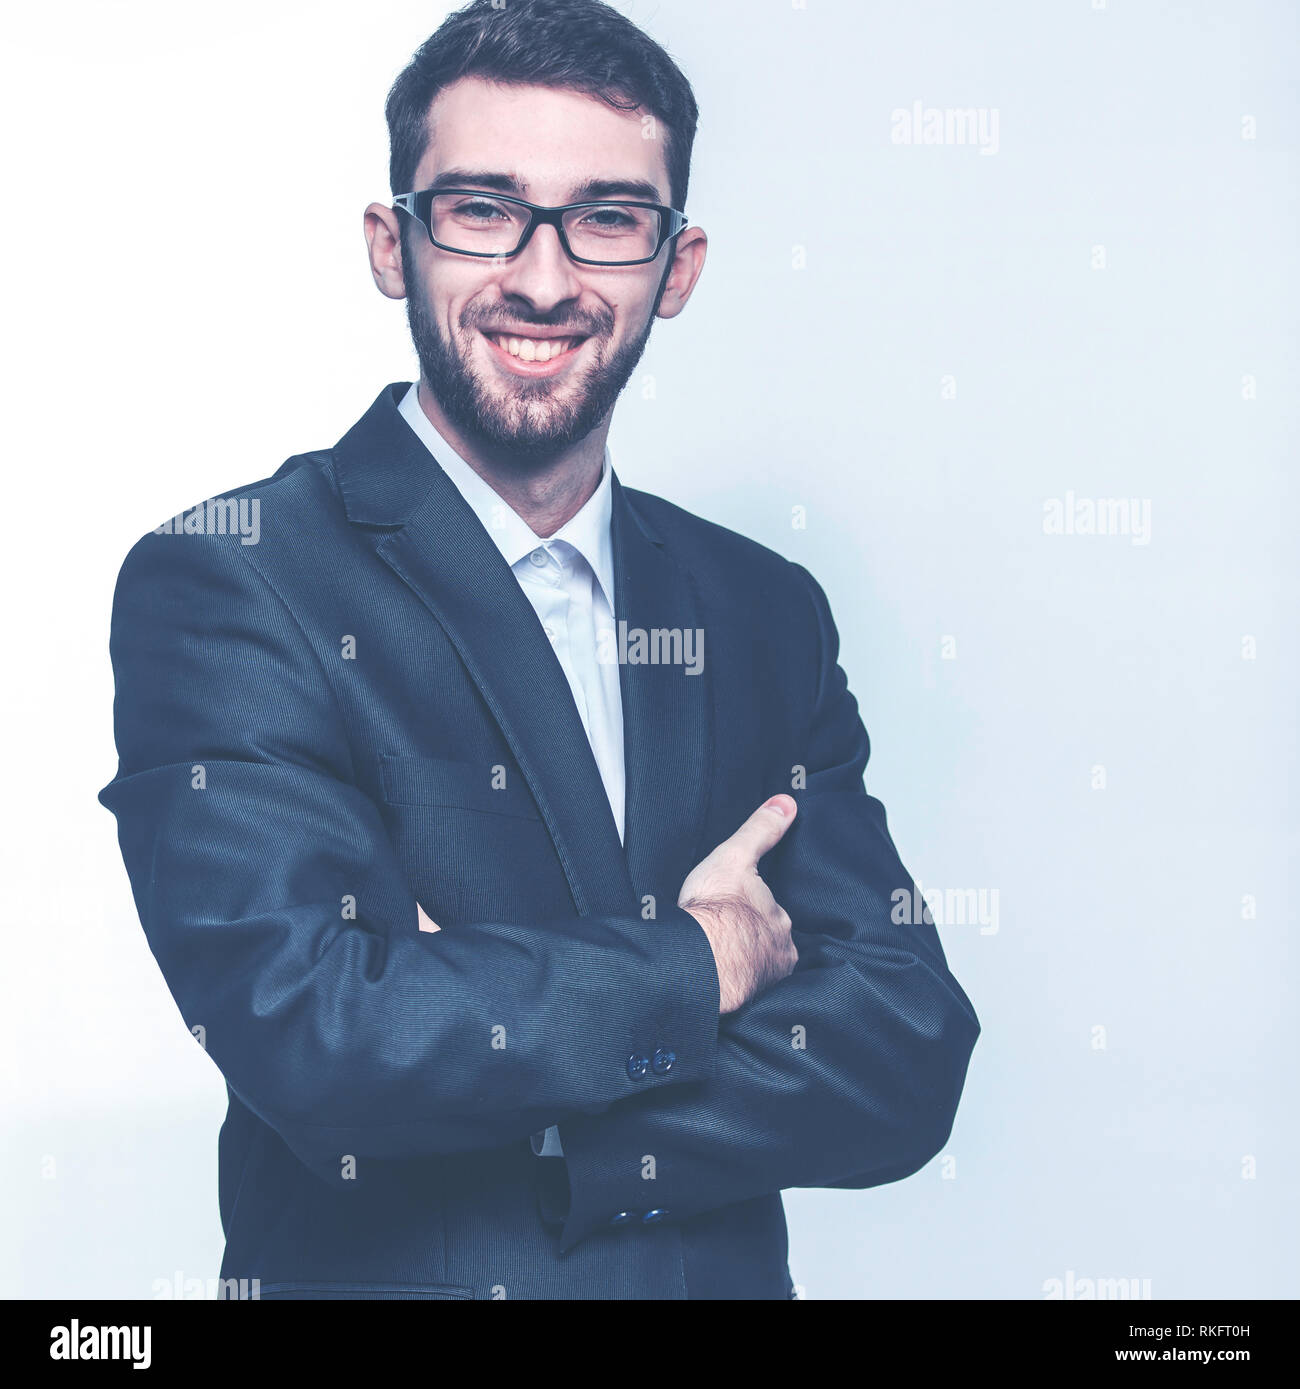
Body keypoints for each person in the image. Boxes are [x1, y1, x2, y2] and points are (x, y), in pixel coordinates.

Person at [100, 0, 979, 1300]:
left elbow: (907, 1046)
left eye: (609, 219)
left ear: (675, 269)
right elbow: (325, 1037)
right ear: (393, 243)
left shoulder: (758, 609)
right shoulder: (235, 580)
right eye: (483, 208)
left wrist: (539, 1090)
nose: (546, 276)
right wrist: (705, 962)